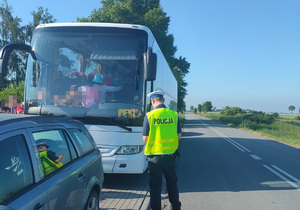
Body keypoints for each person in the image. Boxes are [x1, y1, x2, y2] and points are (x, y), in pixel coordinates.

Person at [142, 91, 182, 210]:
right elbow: (178, 136)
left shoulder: (149, 116)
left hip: (154, 158)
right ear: (163, 101)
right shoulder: (173, 114)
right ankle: (175, 207)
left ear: (152, 101)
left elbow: (145, 138)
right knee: (172, 183)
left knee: (155, 187)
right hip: (170, 157)